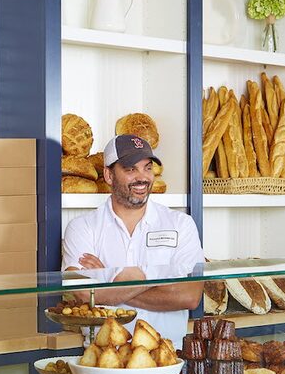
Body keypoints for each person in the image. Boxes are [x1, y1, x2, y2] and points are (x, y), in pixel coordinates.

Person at [62, 134, 205, 345]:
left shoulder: (180, 224)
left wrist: (107, 282)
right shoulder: (83, 227)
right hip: (103, 359)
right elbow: (82, 294)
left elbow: (190, 296)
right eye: (131, 169)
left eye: (147, 168)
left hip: (168, 356)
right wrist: (158, 278)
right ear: (109, 175)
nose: (143, 177)